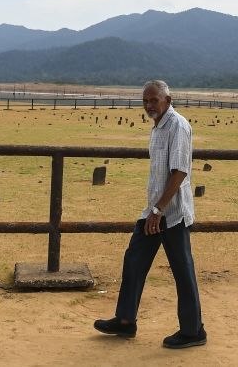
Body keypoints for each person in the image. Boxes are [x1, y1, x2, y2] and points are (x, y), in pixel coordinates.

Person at [93, 79, 206, 349]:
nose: (148, 105)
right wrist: (153, 210)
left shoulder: (177, 125)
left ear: (167, 99)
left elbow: (180, 171)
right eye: (145, 100)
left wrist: (159, 209)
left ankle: (193, 331)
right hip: (155, 211)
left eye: (154, 100)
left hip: (172, 212)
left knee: (182, 269)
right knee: (135, 258)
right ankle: (125, 321)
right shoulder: (158, 126)